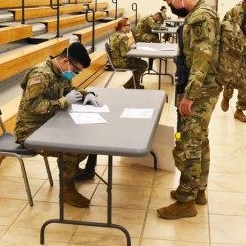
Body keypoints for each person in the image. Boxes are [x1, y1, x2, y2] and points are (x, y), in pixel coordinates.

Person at [157, 0, 220, 220]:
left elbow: (202, 58)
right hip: (207, 88)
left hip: (200, 91)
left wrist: (190, 96)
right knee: (200, 139)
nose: (172, 7)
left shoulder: (199, 18)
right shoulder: (206, 11)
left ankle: (186, 200)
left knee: (189, 144)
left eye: (171, 3)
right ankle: (199, 189)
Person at [14, 42, 101, 207]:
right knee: (70, 148)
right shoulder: (40, 74)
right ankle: (67, 191)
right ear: (65, 62)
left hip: (49, 122)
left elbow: (69, 90)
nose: (74, 74)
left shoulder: (60, 72)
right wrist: (62, 103)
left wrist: (86, 94)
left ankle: (71, 171)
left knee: (83, 138)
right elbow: (31, 105)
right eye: (75, 71)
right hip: (30, 130)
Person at [108, 18, 147, 89]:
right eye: (129, 25)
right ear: (123, 26)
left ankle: (133, 85)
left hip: (115, 60)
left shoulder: (113, 35)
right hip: (121, 62)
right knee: (143, 64)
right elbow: (124, 54)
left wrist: (132, 48)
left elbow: (121, 49)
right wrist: (136, 52)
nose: (130, 26)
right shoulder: (123, 36)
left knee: (139, 63)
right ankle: (129, 85)